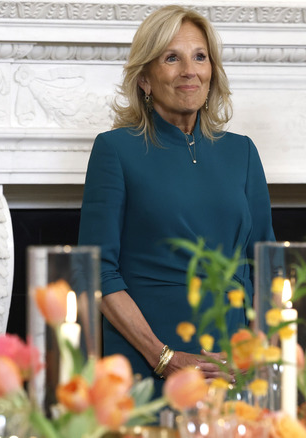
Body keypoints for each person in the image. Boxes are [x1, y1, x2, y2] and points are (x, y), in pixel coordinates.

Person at [78, 5, 275, 396]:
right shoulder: (115, 149)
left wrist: (252, 351)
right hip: (148, 362)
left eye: (200, 57)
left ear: (212, 71)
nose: (190, 70)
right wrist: (164, 357)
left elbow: (267, 263)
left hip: (234, 365)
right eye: (172, 58)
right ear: (146, 79)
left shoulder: (243, 153)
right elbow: (96, 271)